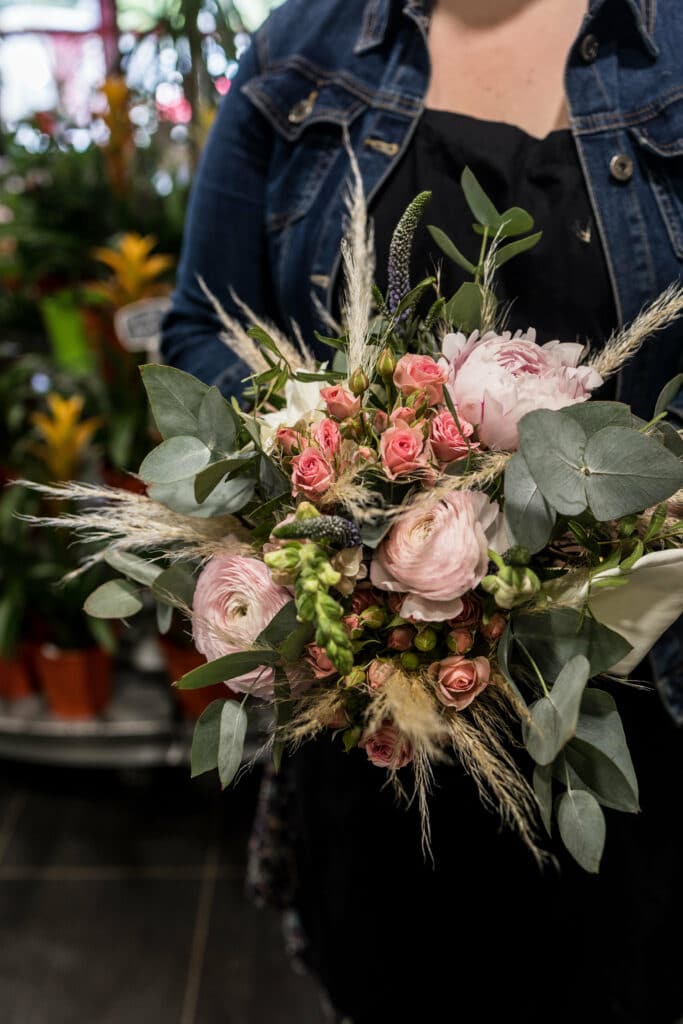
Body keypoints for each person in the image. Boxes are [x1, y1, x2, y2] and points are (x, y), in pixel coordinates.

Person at [162, 2, 683, 1020]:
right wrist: (330, 446)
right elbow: (200, 325)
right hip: (374, 716)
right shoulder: (298, 53)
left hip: (627, 709)